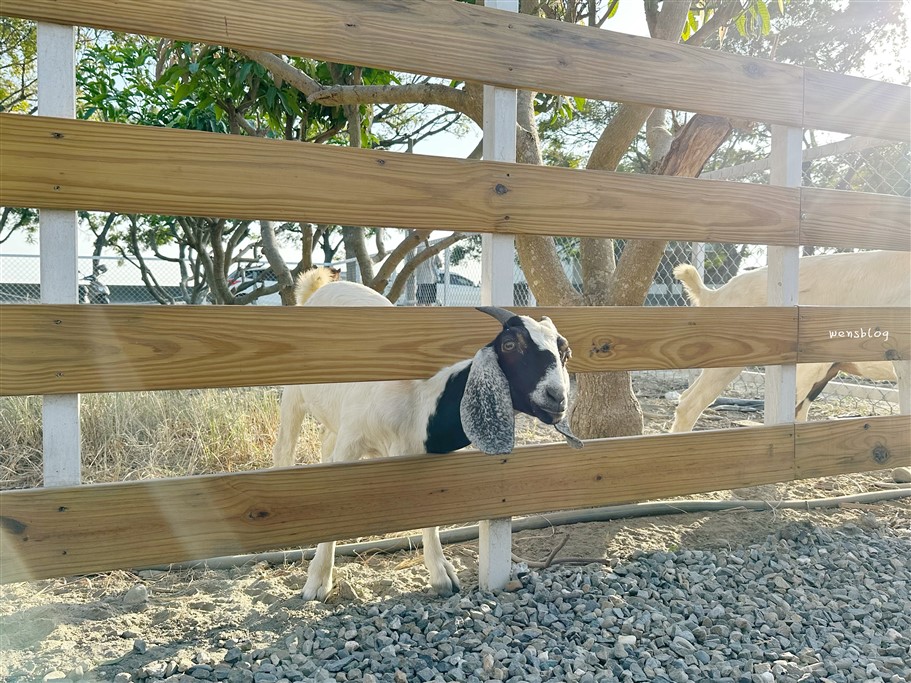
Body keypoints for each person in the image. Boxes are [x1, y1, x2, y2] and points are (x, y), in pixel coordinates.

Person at [415, 241, 441, 306]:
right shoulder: (420, 247)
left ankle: (428, 312)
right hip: (423, 279)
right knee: (421, 301)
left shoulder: (432, 246)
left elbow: (439, 263)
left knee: (429, 301)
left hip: (432, 279)